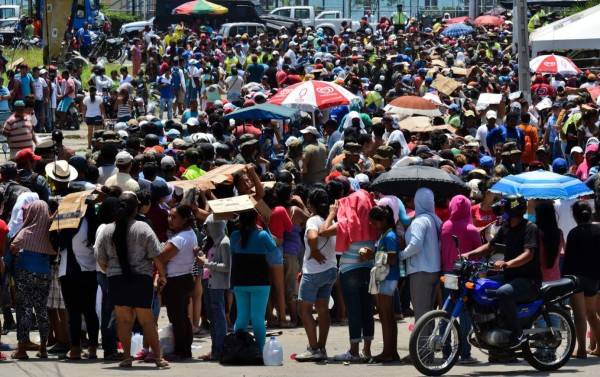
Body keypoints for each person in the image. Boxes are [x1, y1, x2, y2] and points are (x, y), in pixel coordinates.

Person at [95, 192, 169, 368]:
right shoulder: (143, 228)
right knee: (147, 320)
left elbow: (100, 258)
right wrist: (163, 275)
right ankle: (158, 358)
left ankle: (126, 358)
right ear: (135, 209)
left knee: (124, 320)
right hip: (141, 279)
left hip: (116, 280)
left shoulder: (106, 230)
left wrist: (112, 272)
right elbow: (156, 255)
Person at [461, 194, 540, 349]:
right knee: (479, 285)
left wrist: (507, 263)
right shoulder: (506, 226)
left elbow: (528, 254)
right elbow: (491, 246)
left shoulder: (530, 227)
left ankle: (517, 334)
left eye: (505, 207)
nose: (501, 210)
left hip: (528, 279)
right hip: (510, 276)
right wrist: (469, 254)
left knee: (504, 292)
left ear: (513, 209)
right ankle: (488, 328)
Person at [398, 187, 442, 362]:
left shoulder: (419, 221)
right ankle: (427, 351)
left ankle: (422, 353)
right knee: (429, 313)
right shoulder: (435, 219)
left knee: (422, 314)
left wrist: (400, 255)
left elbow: (415, 245)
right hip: (434, 270)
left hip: (421, 271)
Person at [295, 188, 338, 362]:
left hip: (314, 272)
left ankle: (313, 348)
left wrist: (313, 250)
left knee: (303, 310)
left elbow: (313, 237)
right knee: (322, 310)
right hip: (330, 270)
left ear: (310, 204)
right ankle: (321, 347)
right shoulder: (329, 220)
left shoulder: (313, 220)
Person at [10, 201, 55, 360]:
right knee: (42, 309)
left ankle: (21, 349)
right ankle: (43, 348)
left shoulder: (26, 231)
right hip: (44, 273)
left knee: (25, 309)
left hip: (25, 272)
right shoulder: (50, 232)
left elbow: (13, 247)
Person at [440, 195, 481, 364]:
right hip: (466, 276)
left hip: (447, 274)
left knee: (446, 311)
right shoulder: (471, 229)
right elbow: (479, 253)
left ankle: (446, 350)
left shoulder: (445, 226)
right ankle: (464, 352)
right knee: (465, 314)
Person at [230, 210, 277, 352]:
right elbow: (273, 247)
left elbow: (232, 251)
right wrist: (266, 227)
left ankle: (238, 348)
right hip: (260, 281)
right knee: (257, 317)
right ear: (255, 220)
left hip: (240, 281)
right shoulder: (262, 235)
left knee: (242, 315)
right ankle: (261, 350)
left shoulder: (234, 235)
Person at [57, 203, 100, 360]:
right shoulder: (95, 223)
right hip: (90, 271)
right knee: (89, 310)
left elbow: (59, 246)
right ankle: (93, 348)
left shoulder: (70, 224)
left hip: (70, 271)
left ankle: (75, 348)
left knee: (73, 311)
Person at [159, 205, 197, 360]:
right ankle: (184, 349)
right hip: (184, 278)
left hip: (177, 280)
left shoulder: (180, 238)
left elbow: (161, 257)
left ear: (185, 219)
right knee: (182, 317)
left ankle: (181, 351)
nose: (170, 220)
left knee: (177, 318)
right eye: (169, 216)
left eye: (174, 217)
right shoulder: (187, 233)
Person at [562, 200, 600, 358]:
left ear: (575, 216)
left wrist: (564, 280)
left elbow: (569, 260)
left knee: (579, 314)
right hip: (594, 277)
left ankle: (582, 349)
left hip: (577, 278)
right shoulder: (599, 229)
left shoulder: (574, 233)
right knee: (592, 314)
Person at [367, 205, 400, 363]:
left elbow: (393, 259)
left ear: (383, 220)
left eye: (374, 223)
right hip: (388, 278)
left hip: (388, 278)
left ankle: (387, 352)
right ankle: (391, 351)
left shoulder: (389, 236)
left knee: (385, 316)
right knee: (388, 317)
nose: (373, 226)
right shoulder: (386, 234)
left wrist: (377, 256)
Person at [196, 214, 231, 361]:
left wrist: (206, 263)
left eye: (209, 227)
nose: (207, 230)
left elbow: (226, 266)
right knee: (212, 317)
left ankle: (219, 350)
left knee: (218, 317)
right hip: (207, 282)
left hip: (217, 284)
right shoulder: (210, 242)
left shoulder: (224, 242)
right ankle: (214, 350)